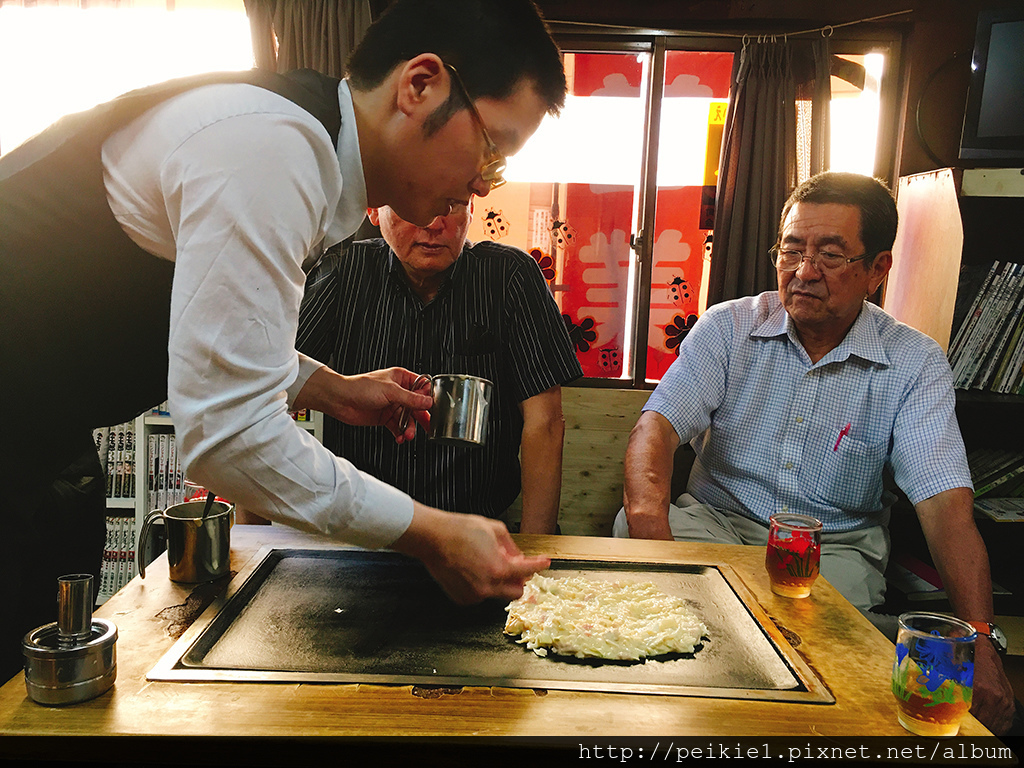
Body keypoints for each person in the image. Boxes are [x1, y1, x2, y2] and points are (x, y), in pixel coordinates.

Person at [0, 0, 565, 681]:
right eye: (492, 147)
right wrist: (431, 533)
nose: (483, 181)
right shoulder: (272, 147)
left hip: (38, 441)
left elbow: (222, 332)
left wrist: (336, 389)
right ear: (420, 85)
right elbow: (228, 434)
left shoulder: (306, 155)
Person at [614, 171, 1015, 735]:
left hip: (833, 555)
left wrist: (979, 639)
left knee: (819, 695)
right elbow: (654, 430)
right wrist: (653, 541)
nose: (804, 272)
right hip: (714, 528)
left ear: (878, 270)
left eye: (830, 255)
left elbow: (945, 507)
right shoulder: (727, 328)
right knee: (665, 649)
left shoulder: (914, 363)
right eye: (792, 250)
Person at [296, 201, 582, 534]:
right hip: (358, 529)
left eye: (453, 205)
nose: (434, 223)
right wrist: (256, 539)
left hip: (475, 531)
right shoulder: (344, 270)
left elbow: (545, 422)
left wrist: (536, 553)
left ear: (472, 209)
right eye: (413, 204)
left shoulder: (510, 276)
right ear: (374, 210)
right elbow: (270, 387)